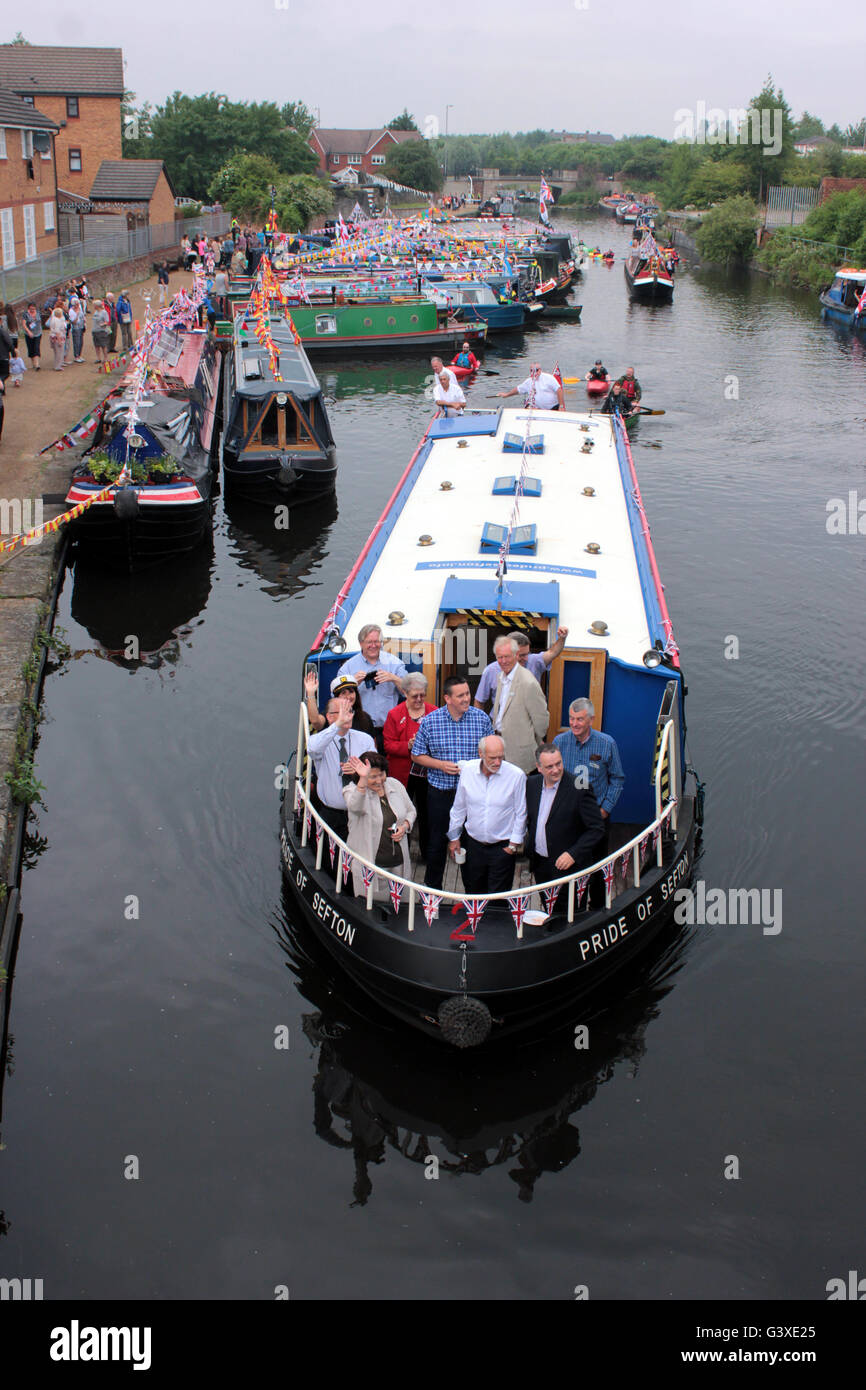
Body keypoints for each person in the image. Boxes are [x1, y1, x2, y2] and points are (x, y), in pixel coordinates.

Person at [410, 676, 493, 890]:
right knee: (436, 844)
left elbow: (492, 755)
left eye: (467, 693)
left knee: (470, 844)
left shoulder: (482, 719)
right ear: (447, 698)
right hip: (441, 793)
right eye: (461, 695)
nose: (467, 698)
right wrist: (440, 765)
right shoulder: (430, 721)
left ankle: (472, 897)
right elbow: (417, 755)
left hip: (473, 795)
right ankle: (432, 895)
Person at [447, 735, 526, 894]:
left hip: (502, 848)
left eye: (501, 757)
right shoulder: (468, 771)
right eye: (492, 758)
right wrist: (454, 838)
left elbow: (521, 813)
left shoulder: (516, 776)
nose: (497, 762)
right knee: (473, 891)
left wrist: (512, 846)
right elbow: (459, 808)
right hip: (473, 845)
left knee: (499, 899)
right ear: (480, 754)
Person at [525, 743, 605, 889]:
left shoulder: (580, 787)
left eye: (558, 763)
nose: (556, 770)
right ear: (539, 767)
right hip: (540, 865)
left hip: (569, 869)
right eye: (549, 767)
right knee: (547, 908)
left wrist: (573, 854)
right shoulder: (531, 784)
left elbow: (596, 829)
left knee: (568, 911)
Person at [343, 751, 416, 902]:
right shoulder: (351, 791)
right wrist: (363, 780)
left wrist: (405, 826)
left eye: (381, 774)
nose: (379, 780)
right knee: (373, 909)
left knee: (401, 910)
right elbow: (355, 807)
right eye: (372, 776)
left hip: (399, 864)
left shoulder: (394, 784)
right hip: (373, 869)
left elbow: (411, 810)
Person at [383, 673, 436, 860]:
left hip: (427, 774)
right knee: (399, 811)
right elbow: (387, 745)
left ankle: (427, 853)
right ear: (405, 693)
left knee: (427, 813)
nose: (419, 700)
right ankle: (399, 849)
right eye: (415, 696)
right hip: (402, 774)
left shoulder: (434, 711)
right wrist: (408, 745)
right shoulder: (394, 714)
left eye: (422, 695)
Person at [308, 696, 376, 840]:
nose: (347, 715)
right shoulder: (321, 740)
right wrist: (338, 724)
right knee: (327, 858)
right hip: (330, 815)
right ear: (329, 717)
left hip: (359, 814)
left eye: (350, 711)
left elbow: (376, 770)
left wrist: (359, 772)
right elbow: (312, 748)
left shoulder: (365, 739)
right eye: (341, 712)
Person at [553, 698, 624, 823]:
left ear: (591, 720)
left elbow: (617, 778)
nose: (574, 724)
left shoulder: (607, 743)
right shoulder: (559, 742)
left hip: (595, 813)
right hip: (565, 813)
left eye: (580, 719)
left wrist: (605, 810)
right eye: (571, 718)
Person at [487, 636, 550, 774]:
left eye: (507, 657)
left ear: (516, 655)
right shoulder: (501, 677)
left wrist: (532, 740)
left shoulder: (528, 682)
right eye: (499, 657)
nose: (503, 661)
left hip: (521, 756)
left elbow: (542, 721)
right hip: (501, 750)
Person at [337, 624, 407, 745]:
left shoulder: (395, 663)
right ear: (361, 643)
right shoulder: (348, 667)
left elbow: (409, 692)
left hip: (389, 729)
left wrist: (393, 678)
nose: (373, 646)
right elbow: (336, 699)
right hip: (359, 729)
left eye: (377, 641)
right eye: (369, 642)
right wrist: (352, 683)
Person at [474, 627, 569, 707]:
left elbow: (553, 652)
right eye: (521, 655)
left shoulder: (534, 661)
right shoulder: (491, 670)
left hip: (528, 725)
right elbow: (479, 701)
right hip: (500, 726)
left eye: (527, 654)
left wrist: (562, 638)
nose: (526, 658)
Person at [304, 669, 376, 738]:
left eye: (351, 692)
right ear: (336, 697)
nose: (348, 697)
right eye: (343, 693)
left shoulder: (365, 718)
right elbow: (316, 722)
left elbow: (372, 746)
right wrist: (311, 692)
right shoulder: (330, 715)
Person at [496, 362, 564, 411]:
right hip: (538, 410)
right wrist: (506, 394)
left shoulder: (549, 378)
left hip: (553, 408)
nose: (534, 373)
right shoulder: (528, 381)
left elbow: (559, 390)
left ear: (540, 370)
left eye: (536, 370)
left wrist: (561, 406)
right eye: (532, 371)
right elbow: (518, 389)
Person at [47, 302, 69, 370]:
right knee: (59, 352)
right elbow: (57, 331)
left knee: (57, 352)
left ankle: (57, 365)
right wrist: (59, 340)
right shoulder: (57, 321)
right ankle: (58, 366)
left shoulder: (53, 319)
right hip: (57, 337)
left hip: (53, 337)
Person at [89, 300, 111, 367]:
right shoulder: (95, 312)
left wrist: (103, 324)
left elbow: (107, 321)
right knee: (96, 345)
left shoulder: (104, 312)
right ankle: (98, 358)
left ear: (97, 306)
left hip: (102, 331)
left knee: (103, 345)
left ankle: (106, 358)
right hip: (95, 331)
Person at [22, 304, 42, 370]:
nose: (32, 310)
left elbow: (40, 321)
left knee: (36, 347)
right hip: (29, 334)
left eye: (33, 309)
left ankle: (37, 364)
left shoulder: (38, 312)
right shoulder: (25, 314)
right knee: (31, 348)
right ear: (28, 309)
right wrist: (29, 332)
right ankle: (33, 363)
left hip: (38, 333)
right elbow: (24, 324)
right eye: (31, 309)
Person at [68, 296, 86, 361]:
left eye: (78, 304)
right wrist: (77, 314)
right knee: (76, 342)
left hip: (81, 327)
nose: (78, 305)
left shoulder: (80, 309)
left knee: (81, 342)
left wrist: (84, 323)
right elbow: (74, 321)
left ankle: (79, 355)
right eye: (77, 304)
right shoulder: (71, 311)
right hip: (76, 328)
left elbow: (83, 317)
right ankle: (76, 356)